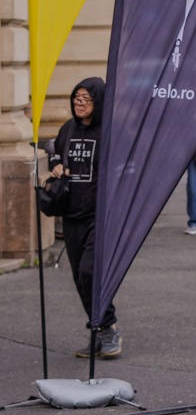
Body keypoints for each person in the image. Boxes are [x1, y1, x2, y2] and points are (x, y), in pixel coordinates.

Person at [49, 78, 119, 359]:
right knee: (80, 278)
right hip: (71, 216)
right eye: (76, 97)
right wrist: (54, 166)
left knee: (90, 271)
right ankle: (98, 330)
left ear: (98, 102)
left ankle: (109, 326)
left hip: (98, 216)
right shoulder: (68, 128)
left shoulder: (110, 131)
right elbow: (53, 149)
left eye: (86, 99)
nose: (79, 103)